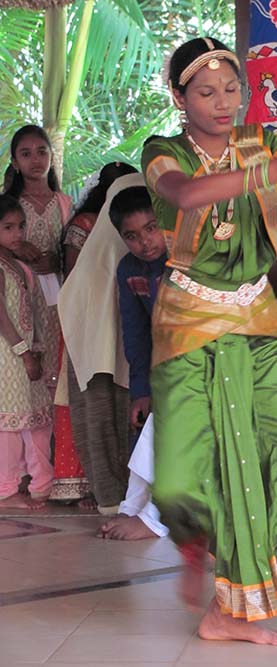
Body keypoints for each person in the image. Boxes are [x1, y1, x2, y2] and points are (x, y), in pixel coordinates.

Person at [141, 36, 277, 645]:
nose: (223, 102)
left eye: (232, 89)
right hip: (187, 324)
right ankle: (206, 556)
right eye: (206, 92)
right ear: (179, 97)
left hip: (257, 322)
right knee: (179, 485)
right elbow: (184, 194)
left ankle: (228, 589)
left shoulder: (264, 141)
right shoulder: (163, 152)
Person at [50, 162, 137, 506]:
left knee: (106, 423)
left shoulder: (127, 254)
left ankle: (115, 499)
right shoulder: (116, 255)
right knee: (114, 420)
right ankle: (120, 499)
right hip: (112, 365)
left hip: (104, 361)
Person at [97, 185, 168, 540]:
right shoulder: (129, 269)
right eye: (133, 236)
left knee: (173, 428)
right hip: (162, 367)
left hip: (201, 363)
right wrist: (141, 390)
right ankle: (135, 506)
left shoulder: (186, 261)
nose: (145, 241)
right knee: (146, 428)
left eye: (151, 228)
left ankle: (157, 517)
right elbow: (137, 334)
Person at [5, 125, 72, 390]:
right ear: (15, 162)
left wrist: (58, 261)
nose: (35, 160)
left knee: (54, 367)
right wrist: (15, 249)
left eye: (41, 152)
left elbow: (74, 249)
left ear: (51, 157)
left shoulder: (65, 203)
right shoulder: (8, 205)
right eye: (26, 154)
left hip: (55, 298)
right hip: (17, 297)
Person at [0, 195, 53, 509]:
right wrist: (24, 352)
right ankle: (6, 490)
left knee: (37, 418)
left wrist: (38, 348)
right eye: (8, 227)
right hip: (8, 355)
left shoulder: (17, 265)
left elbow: (32, 311)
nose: (17, 233)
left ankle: (41, 485)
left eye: (21, 226)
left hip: (27, 352)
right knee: (9, 423)